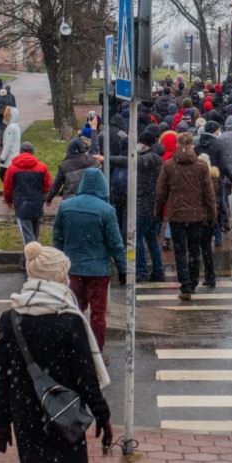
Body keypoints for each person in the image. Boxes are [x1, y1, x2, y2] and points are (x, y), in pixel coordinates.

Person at [0, 242, 112, 463]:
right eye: (65, 274)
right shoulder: (69, 320)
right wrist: (102, 415)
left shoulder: (9, 319)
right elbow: (85, 378)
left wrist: (1, 423)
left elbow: (4, 377)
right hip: (62, 413)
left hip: (26, 416)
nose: (68, 280)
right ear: (56, 278)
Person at [53, 168, 126, 354]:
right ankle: (96, 351)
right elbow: (115, 243)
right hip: (98, 271)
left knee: (74, 310)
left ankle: (74, 348)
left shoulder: (66, 206)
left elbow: (58, 237)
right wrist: (123, 268)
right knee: (98, 313)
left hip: (73, 269)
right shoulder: (107, 210)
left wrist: (59, 262)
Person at [155, 132, 216, 300]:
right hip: (196, 215)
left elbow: (161, 192)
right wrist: (212, 213)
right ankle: (193, 280)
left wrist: (158, 212)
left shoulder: (169, 166)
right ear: (192, 145)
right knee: (194, 249)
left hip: (177, 215)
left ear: (177, 145)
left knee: (180, 250)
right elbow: (208, 193)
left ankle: (185, 285)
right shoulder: (201, 166)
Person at [3, 142, 52, 245]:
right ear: (32, 152)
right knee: (35, 232)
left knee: (27, 235)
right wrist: (43, 198)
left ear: (20, 152)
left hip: (21, 204)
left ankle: (31, 252)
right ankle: (34, 250)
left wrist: (9, 201)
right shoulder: (42, 167)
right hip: (37, 203)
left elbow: (7, 187)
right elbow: (47, 186)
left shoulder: (12, 168)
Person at [134, 132, 164, 282]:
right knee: (151, 239)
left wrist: (107, 159)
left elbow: (131, 162)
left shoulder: (150, 158)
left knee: (137, 238)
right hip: (153, 205)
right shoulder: (155, 158)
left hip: (145, 206)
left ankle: (141, 270)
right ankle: (157, 271)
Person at [46, 138, 98, 205]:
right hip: (90, 197)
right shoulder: (91, 160)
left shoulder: (64, 165)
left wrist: (49, 199)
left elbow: (57, 185)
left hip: (70, 200)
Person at [0, 106, 21, 181]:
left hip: (9, 158)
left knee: (3, 174)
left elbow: (8, 145)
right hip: (14, 156)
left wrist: (3, 157)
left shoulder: (10, 128)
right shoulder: (16, 126)